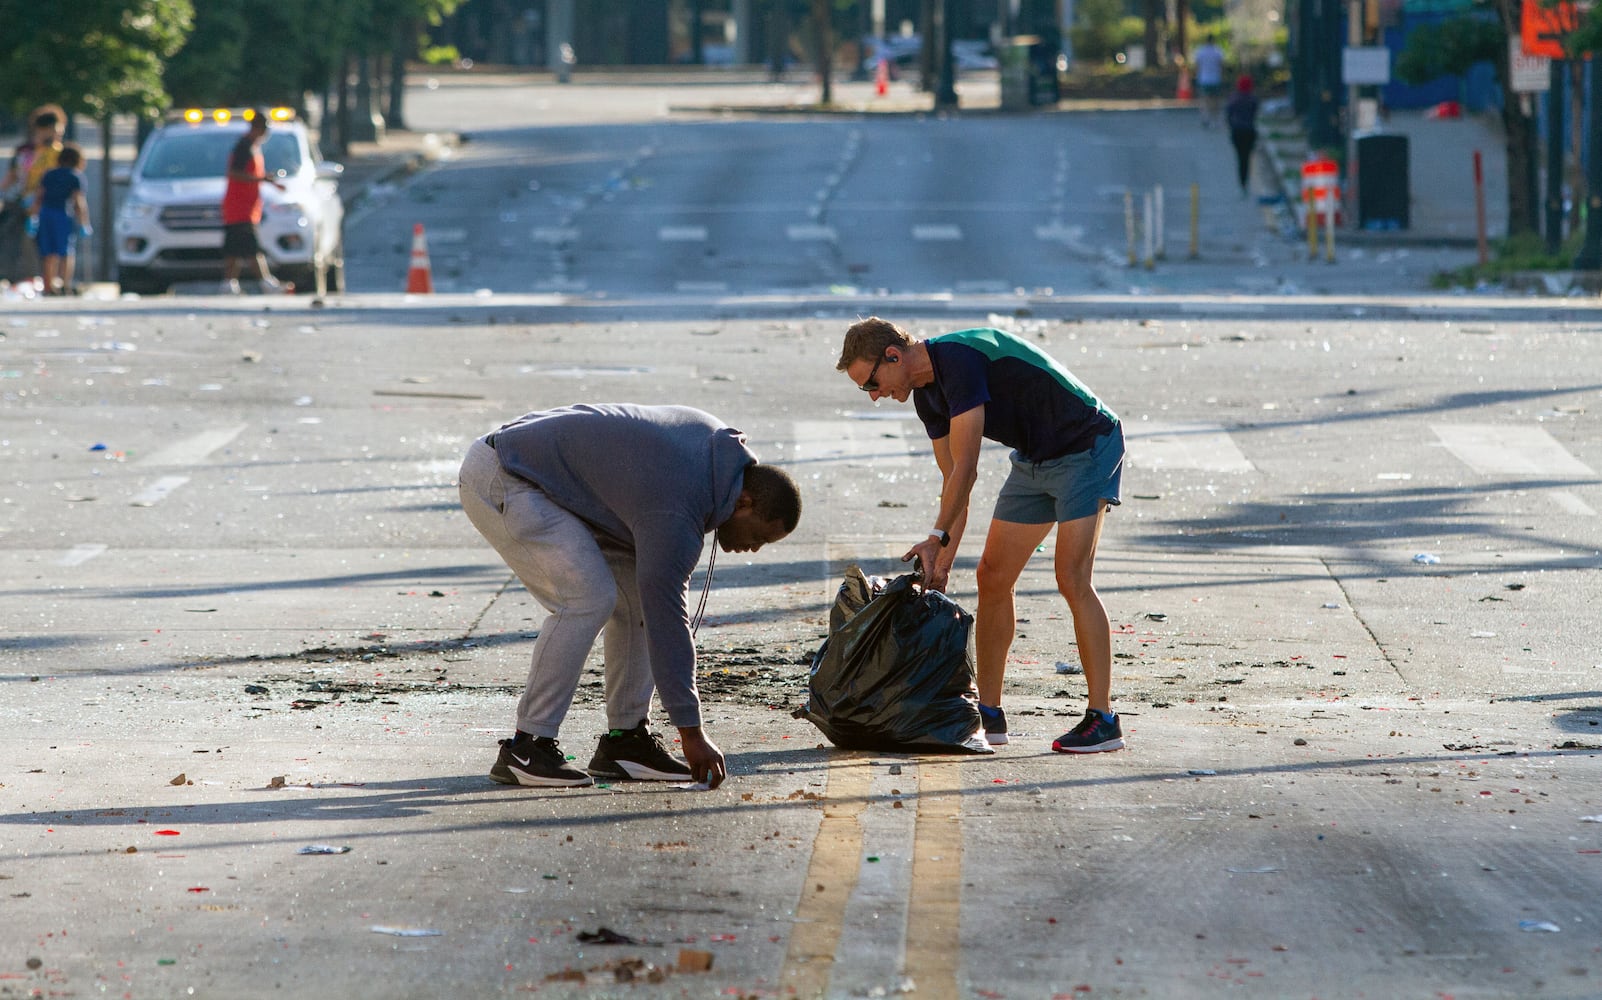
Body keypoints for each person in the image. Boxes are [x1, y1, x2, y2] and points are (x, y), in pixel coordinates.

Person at [459, 403, 802, 789]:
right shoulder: (680, 507)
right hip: (506, 473)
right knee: (586, 598)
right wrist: (691, 732)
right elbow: (669, 618)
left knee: (637, 599)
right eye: (758, 536)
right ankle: (527, 746)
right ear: (744, 503)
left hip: (545, 473)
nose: (753, 549)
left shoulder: (717, 458)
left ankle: (627, 742)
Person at [836, 319, 1126, 754]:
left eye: (871, 384)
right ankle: (988, 714)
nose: (875, 397)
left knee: (1071, 576)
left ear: (893, 356)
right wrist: (942, 557)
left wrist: (937, 536)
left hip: (1087, 444)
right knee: (991, 577)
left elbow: (968, 467)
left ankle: (1103, 720)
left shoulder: (958, 361)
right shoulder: (927, 397)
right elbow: (954, 480)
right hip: (1035, 459)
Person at [221, 110, 287, 294]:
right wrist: (261, 180)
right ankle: (265, 282)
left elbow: (250, 174)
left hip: (246, 206)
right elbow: (235, 173)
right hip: (239, 207)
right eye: (264, 128)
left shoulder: (251, 146)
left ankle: (229, 283)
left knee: (234, 247)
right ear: (256, 128)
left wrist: (266, 180)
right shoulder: (244, 146)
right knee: (251, 247)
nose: (266, 133)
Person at [1, 107, 65, 288]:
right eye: (54, 130)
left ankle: (43, 280)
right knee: (14, 242)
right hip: (19, 201)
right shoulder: (24, 151)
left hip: (47, 204)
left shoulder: (58, 153)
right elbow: (13, 174)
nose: (56, 135)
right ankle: (15, 279)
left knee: (42, 245)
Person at [30, 143, 89, 295]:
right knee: (66, 251)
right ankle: (65, 284)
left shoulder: (49, 174)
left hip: (45, 214)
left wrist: (32, 218)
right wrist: (84, 223)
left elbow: (39, 197)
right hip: (62, 214)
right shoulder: (75, 176)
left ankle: (49, 286)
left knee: (48, 252)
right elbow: (78, 202)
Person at [1226, 75, 1261, 196]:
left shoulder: (1233, 98)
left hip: (1237, 131)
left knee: (1240, 158)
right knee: (1247, 158)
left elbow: (1228, 115)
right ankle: (1245, 181)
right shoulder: (1252, 99)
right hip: (1249, 131)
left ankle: (1242, 182)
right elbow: (1255, 113)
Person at [1192, 38, 1226, 128]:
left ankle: (1205, 118)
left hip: (1204, 79)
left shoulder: (1200, 51)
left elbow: (1197, 65)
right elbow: (1221, 65)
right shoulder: (1218, 50)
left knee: (1204, 99)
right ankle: (1216, 119)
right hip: (1215, 78)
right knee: (1216, 100)